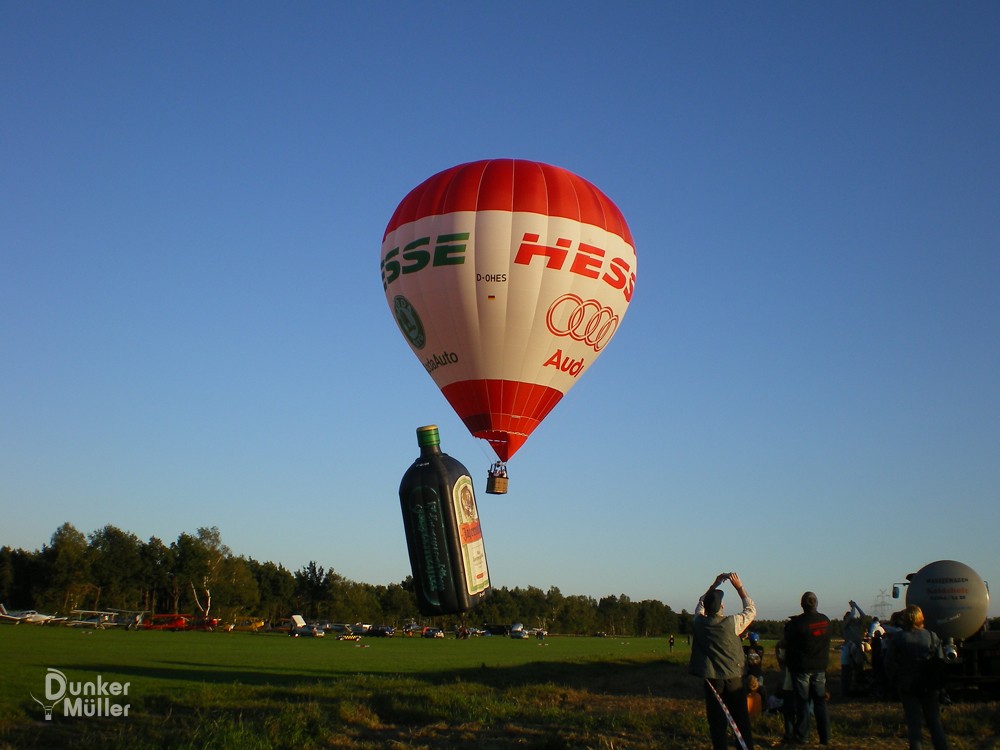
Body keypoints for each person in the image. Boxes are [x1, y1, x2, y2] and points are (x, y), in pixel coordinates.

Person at [688, 572, 757, 750]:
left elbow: (700, 604)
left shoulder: (699, 622)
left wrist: (714, 584)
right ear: (721, 607)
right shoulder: (733, 622)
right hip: (734, 677)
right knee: (741, 719)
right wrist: (739, 588)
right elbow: (751, 611)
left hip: (712, 680)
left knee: (717, 722)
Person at [884, 604, 949, 750]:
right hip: (929, 686)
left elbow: (888, 663)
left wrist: (895, 680)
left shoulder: (898, 638)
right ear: (921, 618)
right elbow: (940, 662)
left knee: (914, 725)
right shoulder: (932, 636)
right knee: (934, 722)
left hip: (907, 685)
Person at [784, 591, 831, 746]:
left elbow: (787, 642)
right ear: (816, 604)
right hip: (820, 668)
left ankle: (803, 736)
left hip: (801, 668)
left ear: (802, 605)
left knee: (802, 703)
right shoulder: (825, 621)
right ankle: (825, 737)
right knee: (820, 702)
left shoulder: (797, 624)